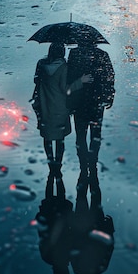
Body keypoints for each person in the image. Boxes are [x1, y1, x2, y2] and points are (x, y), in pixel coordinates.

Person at [32, 42, 91, 183]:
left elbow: (36, 80)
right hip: (59, 107)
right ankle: (57, 165)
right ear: (62, 52)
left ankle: (50, 162)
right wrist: (81, 81)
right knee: (59, 138)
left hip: (44, 105)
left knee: (47, 137)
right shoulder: (63, 67)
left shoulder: (41, 64)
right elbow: (66, 90)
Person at [66, 40, 115, 186]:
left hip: (79, 102)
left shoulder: (74, 54)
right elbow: (110, 77)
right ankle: (92, 163)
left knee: (80, 135)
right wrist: (109, 96)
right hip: (96, 102)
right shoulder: (103, 55)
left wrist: (69, 102)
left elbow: (69, 77)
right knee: (96, 134)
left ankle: (83, 165)